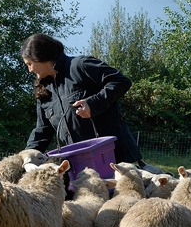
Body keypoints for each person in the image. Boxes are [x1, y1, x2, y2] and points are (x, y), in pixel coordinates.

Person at [21, 33, 146, 166]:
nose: (30, 70)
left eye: (30, 64)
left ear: (40, 57)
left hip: (118, 159)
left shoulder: (81, 65)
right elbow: (42, 130)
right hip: (81, 165)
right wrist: (28, 155)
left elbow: (121, 81)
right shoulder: (43, 90)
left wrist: (93, 103)